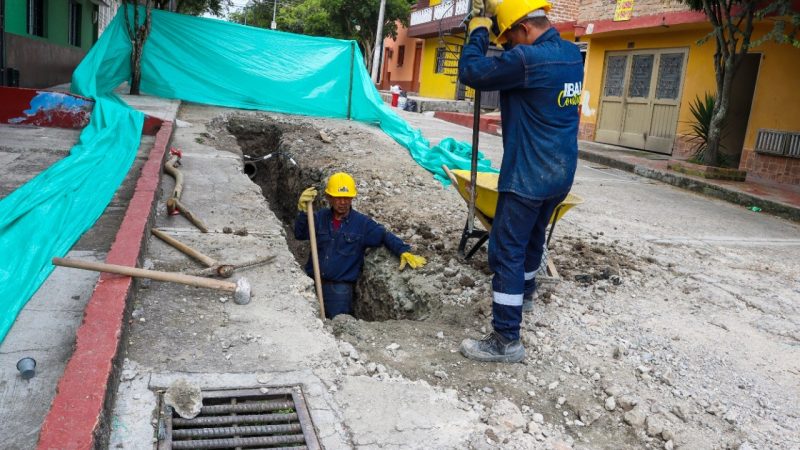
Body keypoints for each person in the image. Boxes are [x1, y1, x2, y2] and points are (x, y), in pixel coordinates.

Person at [457, 0, 583, 362]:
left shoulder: (528, 61)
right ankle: (524, 294)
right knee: (532, 237)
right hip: (559, 174)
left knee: (506, 249)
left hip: (527, 174)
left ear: (524, 28)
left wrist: (479, 29)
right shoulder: (572, 55)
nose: (509, 45)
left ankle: (506, 339)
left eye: (509, 37)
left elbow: (473, 72)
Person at [294, 172, 427, 318]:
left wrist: (402, 250)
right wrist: (303, 212)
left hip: (339, 291)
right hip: (312, 282)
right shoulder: (319, 218)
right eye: (339, 198)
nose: (343, 202)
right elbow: (300, 234)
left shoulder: (362, 224)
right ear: (329, 198)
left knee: (337, 326)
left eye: (347, 198)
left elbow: (384, 235)